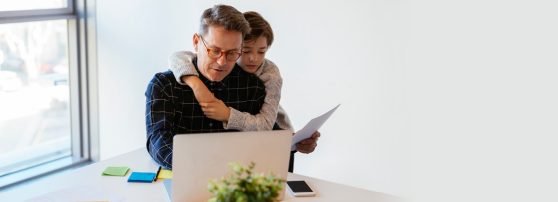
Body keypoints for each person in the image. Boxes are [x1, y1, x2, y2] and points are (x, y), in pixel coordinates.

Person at [146, 5, 318, 170]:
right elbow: (158, 142)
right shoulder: (164, 85)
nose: (222, 62)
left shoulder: (255, 87)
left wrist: (295, 145)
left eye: (232, 53)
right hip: (185, 178)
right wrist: (204, 167)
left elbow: (265, 139)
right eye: (214, 51)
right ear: (196, 42)